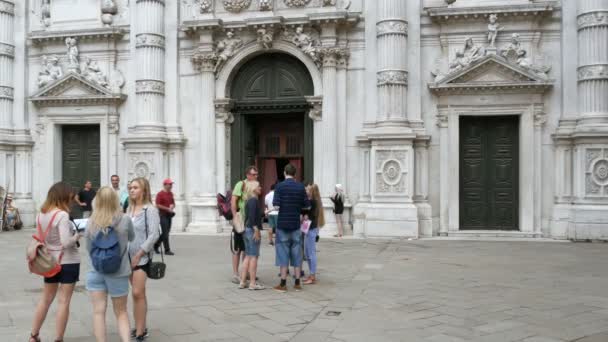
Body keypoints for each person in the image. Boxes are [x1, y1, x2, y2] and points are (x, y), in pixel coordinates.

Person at [29, 182, 82, 342]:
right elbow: (65, 242)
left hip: (50, 262)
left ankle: (33, 336)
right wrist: (77, 236)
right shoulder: (62, 215)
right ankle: (58, 338)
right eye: (70, 196)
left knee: (45, 299)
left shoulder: (41, 214)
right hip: (67, 260)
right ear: (64, 196)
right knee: (63, 301)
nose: (72, 199)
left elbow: (41, 237)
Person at [85, 187, 134, 342]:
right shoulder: (125, 219)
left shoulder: (91, 222)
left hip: (96, 271)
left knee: (98, 312)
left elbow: (88, 248)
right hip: (119, 272)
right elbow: (132, 238)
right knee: (121, 312)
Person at [127, 177, 161, 341]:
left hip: (141, 258)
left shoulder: (150, 210)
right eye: (130, 187)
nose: (132, 190)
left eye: (135, 187)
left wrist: (139, 253)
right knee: (136, 295)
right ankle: (140, 326)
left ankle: (141, 332)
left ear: (143, 190)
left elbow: (154, 234)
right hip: (126, 258)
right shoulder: (129, 208)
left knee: (137, 291)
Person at [272, 164, 310, 293]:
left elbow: (276, 206)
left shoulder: (280, 186)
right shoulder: (300, 187)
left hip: (283, 224)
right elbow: (307, 206)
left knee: (283, 253)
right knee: (297, 253)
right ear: (295, 174)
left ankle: (283, 283)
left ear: (284, 173)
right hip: (295, 224)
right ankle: (297, 283)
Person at [230, 166, 258, 284]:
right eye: (253, 174)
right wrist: (235, 217)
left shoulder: (256, 185)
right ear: (247, 175)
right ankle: (236, 274)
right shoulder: (240, 184)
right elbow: (233, 201)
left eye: (256, 174)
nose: (255, 176)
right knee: (238, 248)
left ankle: (245, 273)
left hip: (249, 222)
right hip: (241, 220)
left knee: (247, 248)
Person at [239, 181, 265, 290]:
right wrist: (256, 230)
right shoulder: (254, 200)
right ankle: (253, 283)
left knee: (248, 256)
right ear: (254, 189)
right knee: (254, 256)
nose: (260, 187)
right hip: (252, 230)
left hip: (246, 230)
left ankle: (242, 282)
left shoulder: (248, 200)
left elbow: (251, 215)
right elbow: (253, 217)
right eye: (258, 186)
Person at [303, 184, 324, 285]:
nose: (305, 191)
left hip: (311, 229)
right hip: (311, 228)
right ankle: (311, 274)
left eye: (307, 190)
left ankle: (312, 275)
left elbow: (306, 214)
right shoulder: (315, 201)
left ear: (311, 191)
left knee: (310, 253)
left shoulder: (312, 202)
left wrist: (305, 216)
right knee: (308, 253)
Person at [155, 178, 176, 255]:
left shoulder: (171, 194)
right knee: (165, 233)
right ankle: (167, 250)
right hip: (162, 215)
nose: (171, 186)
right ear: (165, 185)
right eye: (169, 184)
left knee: (166, 232)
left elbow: (173, 203)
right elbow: (157, 205)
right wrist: (167, 208)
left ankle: (156, 245)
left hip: (169, 215)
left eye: (171, 184)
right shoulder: (160, 194)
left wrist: (172, 206)